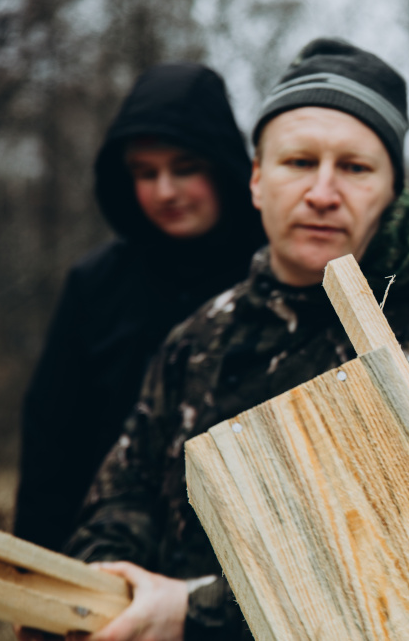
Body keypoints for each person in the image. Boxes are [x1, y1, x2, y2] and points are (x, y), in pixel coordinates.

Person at [22, 39, 409, 641]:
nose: (323, 192)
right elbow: (124, 492)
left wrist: (194, 611)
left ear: (391, 192)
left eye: (355, 168)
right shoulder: (198, 336)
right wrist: (112, 577)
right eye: (299, 162)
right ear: (255, 180)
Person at [14, 63, 266, 553]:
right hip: (111, 557)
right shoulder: (96, 283)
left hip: (249, 560)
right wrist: (39, 573)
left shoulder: (276, 275)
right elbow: (52, 441)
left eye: (184, 168)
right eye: (145, 173)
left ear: (223, 165)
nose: (165, 191)